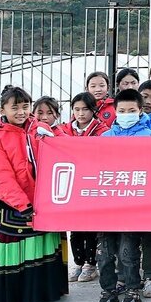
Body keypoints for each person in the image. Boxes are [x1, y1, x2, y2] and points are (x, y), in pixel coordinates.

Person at [0, 86, 67, 302]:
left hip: (43, 200)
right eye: (14, 107)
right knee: (23, 252)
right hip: (15, 204)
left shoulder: (41, 129)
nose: (21, 112)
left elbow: (66, 150)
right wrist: (23, 205)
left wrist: (55, 135)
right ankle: (26, 298)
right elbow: (2, 175)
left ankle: (46, 294)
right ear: (2, 110)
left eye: (25, 106)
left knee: (43, 247)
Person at [97, 89, 151, 302]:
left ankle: (132, 288)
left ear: (140, 110)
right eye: (122, 111)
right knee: (104, 252)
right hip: (107, 205)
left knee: (127, 250)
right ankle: (108, 289)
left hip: (133, 205)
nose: (126, 114)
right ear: (115, 111)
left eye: (131, 110)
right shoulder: (104, 138)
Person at [59, 91, 104, 283]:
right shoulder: (64, 130)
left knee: (91, 227)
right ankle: (78, 262)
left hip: (92, 182)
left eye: (85, 109)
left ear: (93, 110)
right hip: (72, 184)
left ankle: (91, 264)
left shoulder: (102, 130)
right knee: (75, 227)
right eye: (76, 109)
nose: (80, 113)